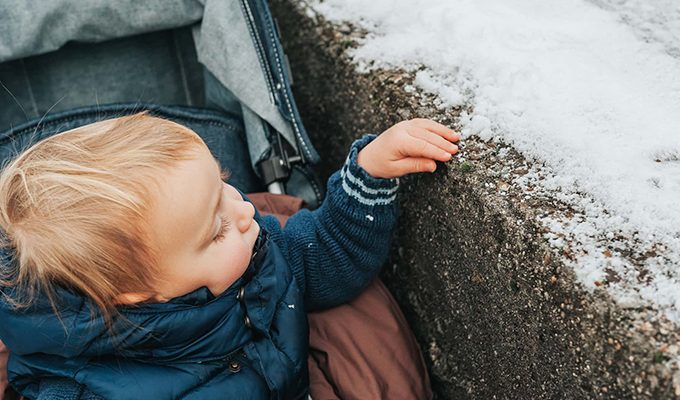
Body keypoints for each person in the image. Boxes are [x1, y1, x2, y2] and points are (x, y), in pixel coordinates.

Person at [0, 113, 459, 399]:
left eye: (223, 184)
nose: (244, 211)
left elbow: (328, 253)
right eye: (216, 228)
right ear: (139, 294)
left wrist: (368, 174)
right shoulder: (79, 391)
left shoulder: (258, 255)